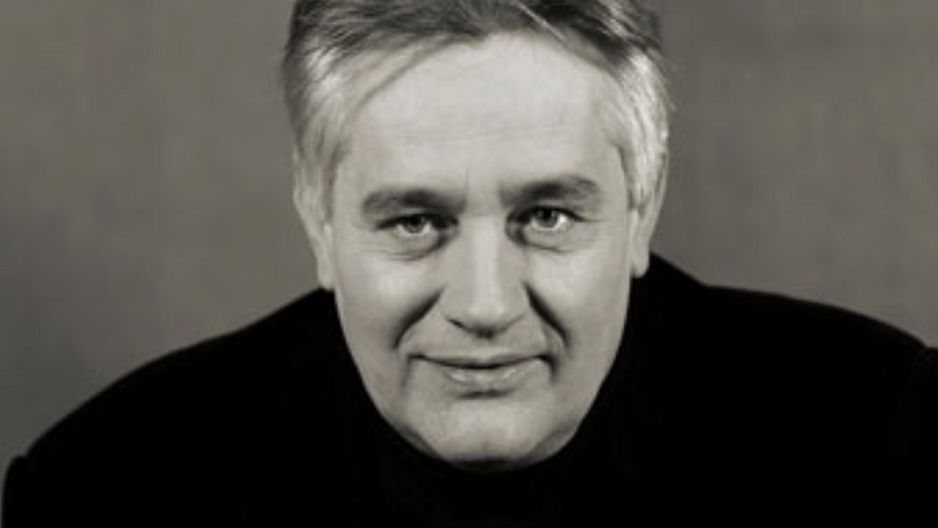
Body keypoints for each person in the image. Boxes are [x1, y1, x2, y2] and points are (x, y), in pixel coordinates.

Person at [4, 0, 936, 525]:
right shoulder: (105, 499)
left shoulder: (883, 450)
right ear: (318, 217)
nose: (485, 305)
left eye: (547, 216)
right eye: (416, 221)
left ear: (641, 209)